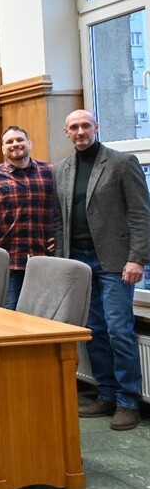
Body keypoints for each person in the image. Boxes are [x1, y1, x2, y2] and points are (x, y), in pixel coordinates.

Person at [54, 110, 150, 431]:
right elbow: (60, 220)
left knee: (118, 329)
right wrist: (63, 260)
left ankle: (128, 401)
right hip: (79, 262)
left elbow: (141, 214)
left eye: (86, 125)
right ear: (66, 132)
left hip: (115, 262)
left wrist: (137, 259)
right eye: (74, 127)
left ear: (97, 127)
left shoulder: (122, 163)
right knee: (93, 329)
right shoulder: (61, 169)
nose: (80, 131)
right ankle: (106, 394)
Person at [0, 127, 54, 309]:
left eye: (19, 140)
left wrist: (60, 237)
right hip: (8, 260)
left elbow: (63, 210)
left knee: (43, 314)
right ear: (3, 149)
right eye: (9, 142)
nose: (15, 144)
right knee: (10, 314)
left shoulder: (50, 172)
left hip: (44, 258)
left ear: (29, 143)